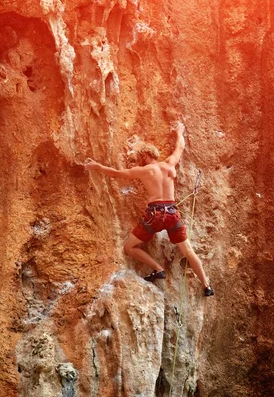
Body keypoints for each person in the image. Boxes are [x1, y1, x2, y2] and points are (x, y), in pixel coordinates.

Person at [85, 123, 214, 296]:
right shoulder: (170, 164)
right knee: (188, 251)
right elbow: (180, 147)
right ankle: (206, 285)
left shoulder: (144, 170)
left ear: (145, 155)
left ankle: (158, 269)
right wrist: (179, 132)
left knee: (129, 247)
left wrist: (97, 167)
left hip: (155, 215)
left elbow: (116, 173)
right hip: (172, 214)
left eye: (139, 157)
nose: (138, 161)